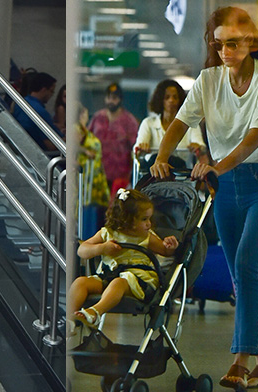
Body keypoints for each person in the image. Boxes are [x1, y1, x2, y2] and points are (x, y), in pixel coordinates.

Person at [150, 6, 258, 392]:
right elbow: (181, 121)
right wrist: (162, 156)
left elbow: (256, 136)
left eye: (232, 43)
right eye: (218, 45)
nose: (224, 52)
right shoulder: (207, 80)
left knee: (247, 265)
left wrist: (217, 165)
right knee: (240, 275)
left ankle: (241, 360)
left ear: (250, 42)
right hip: (228, 188)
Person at [67, 188, 178, 330]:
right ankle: (70, 319)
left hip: (139, 280)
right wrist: (101, 248)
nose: (149, 224)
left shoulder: (146, 237)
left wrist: (170, 247)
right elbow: (82, 250)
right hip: (108, 276)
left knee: (119, 282)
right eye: (144, 219)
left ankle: (95, 312)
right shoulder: (107, 233)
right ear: (127, 220)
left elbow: (164, 251)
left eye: (149, 218)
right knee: (81, 282)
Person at [135, 79, 209, 173]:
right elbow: (138, 148)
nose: (171, 100)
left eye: (175, 97)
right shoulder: (148, 123)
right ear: (160, 100)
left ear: (180, 100)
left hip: (181, 174)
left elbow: (201, 146)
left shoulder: (190, 124)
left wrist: (197, 146)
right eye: (167, 97)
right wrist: (142, 147)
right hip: (153, 174)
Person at [88, 82, 139, 194]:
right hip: (98, 171)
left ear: (120, 100)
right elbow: (87, 138)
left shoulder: (129, 121)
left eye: (114, 98)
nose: (111, 101)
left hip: (120, 175)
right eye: (108, 97)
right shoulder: (98, 117)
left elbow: (136, 145)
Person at [76, 102, 110, 238]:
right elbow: (72, 145)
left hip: (95, 176)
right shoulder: (77, 129)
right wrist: (86, 151)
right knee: (84, 212)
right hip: (85, 177)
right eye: (84, 114)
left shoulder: (84, 129)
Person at [12, 72, 64, 151]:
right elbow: (52, 146)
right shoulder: (40, 112)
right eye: (51, 91)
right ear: (44, 90)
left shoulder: (20, 104)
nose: (52, 95)